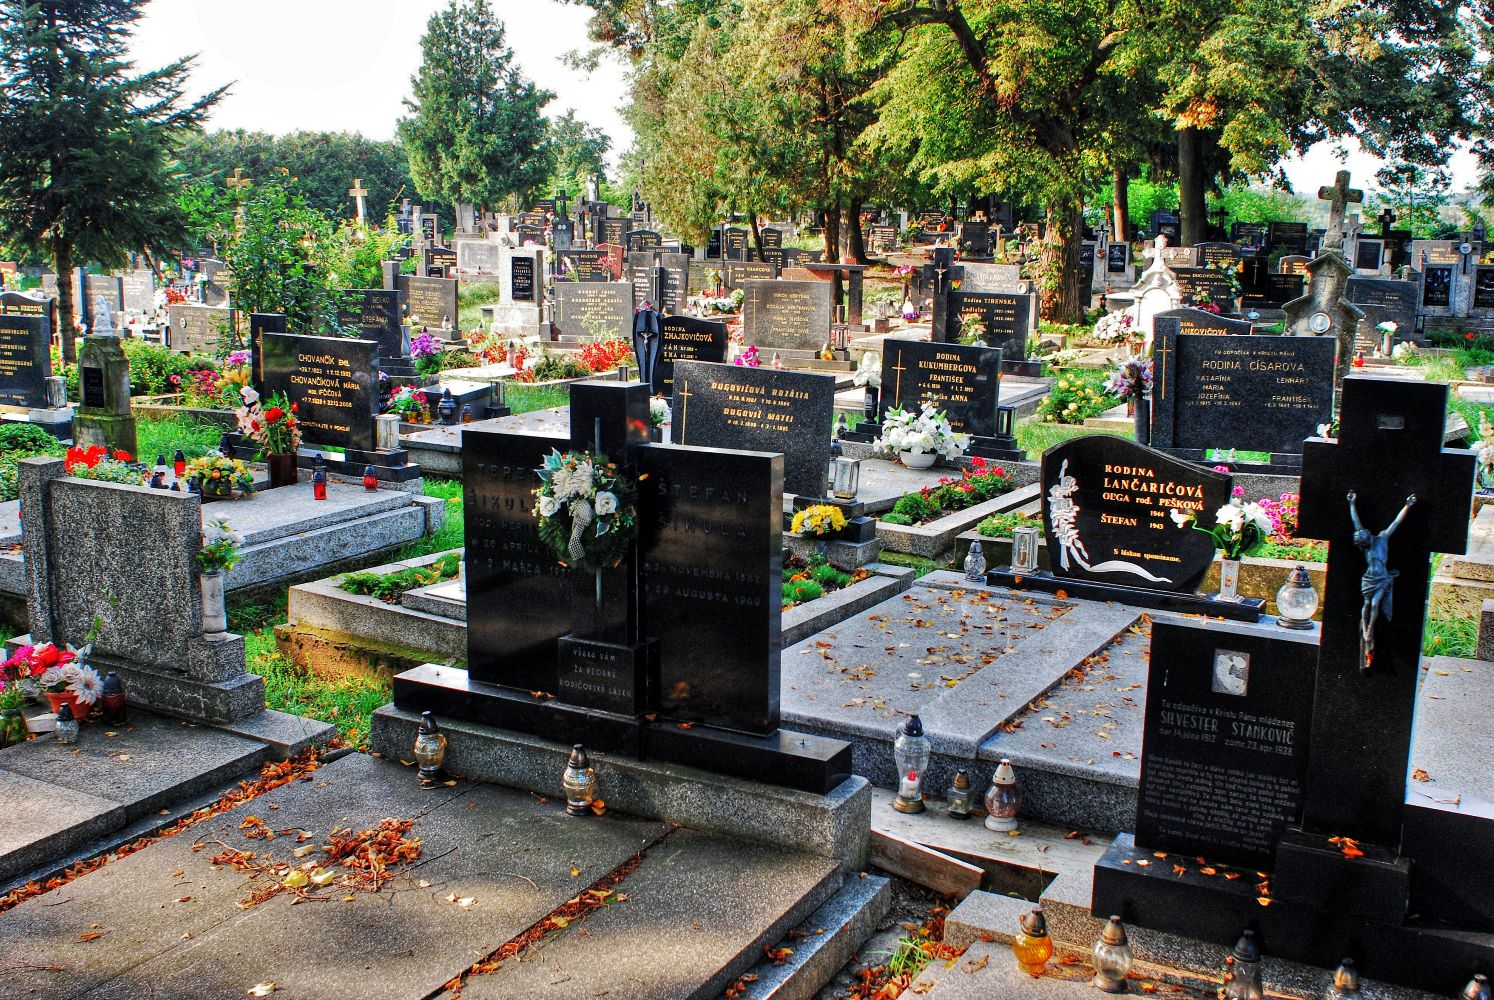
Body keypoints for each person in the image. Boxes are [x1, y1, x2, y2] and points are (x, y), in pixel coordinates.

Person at [1347, 490, 1416, 673]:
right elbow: (1356, 523)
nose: (1364, 532)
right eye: (1363, 536)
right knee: (1367, 603)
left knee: (1375, 603)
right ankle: (1365, 628)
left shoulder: (1383, 538)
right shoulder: (1367, 547)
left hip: (1382, 579)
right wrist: (1352, 504)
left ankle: (1370, 630)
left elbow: (1395, 523)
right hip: (1369, 578)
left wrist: (1407, 506)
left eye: (1363, 534)